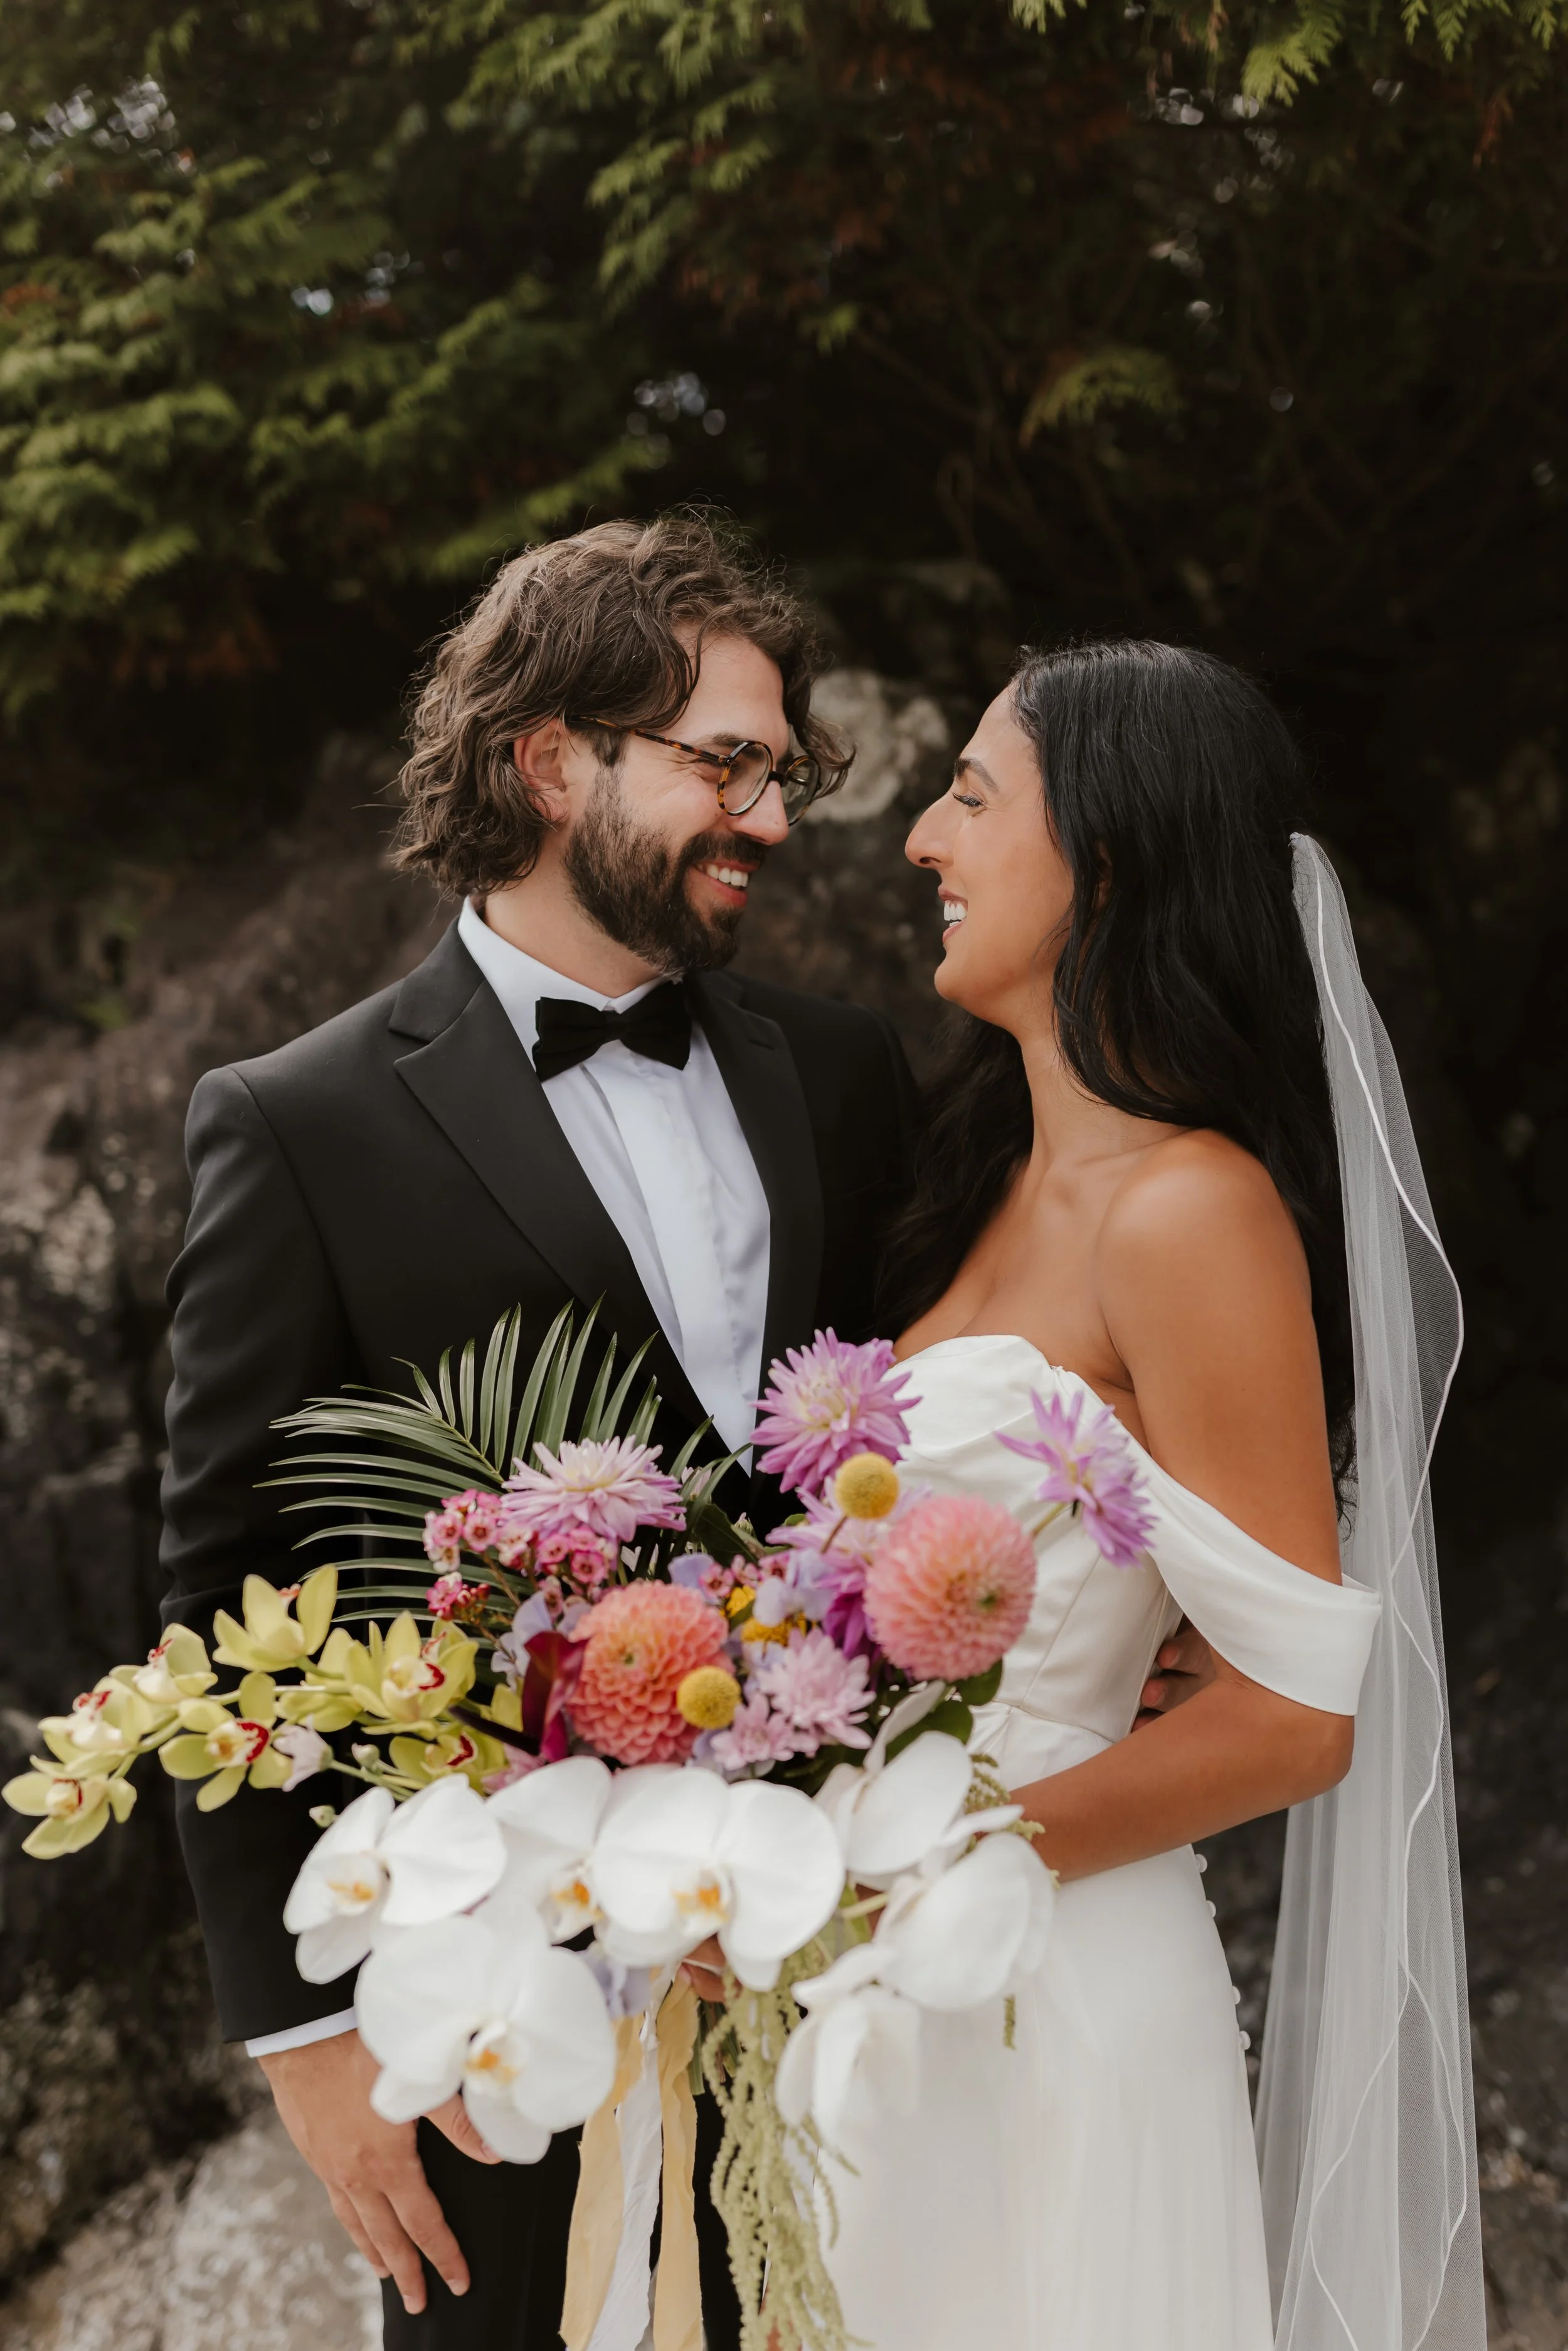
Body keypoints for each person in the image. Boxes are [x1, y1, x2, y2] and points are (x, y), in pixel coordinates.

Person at [158, 516, 936, 2350]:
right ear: (549, 758)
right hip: (492, 2007)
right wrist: (305, 2042)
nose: (766, 812)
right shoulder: (297, 1121)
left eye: (781, 767)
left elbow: (925, 1438)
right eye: (722, 762)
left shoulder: (842, 1072)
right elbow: (216, 1582)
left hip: (836, 1964)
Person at [797, 641, 1482, 2350]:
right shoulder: (975, 1183)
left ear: (1101, 854)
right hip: (886, 1984)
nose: (919, 842)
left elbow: (1293, 1717)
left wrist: (928, 1865)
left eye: (969, 794)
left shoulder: (1190, 1210)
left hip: (1057, 1981)